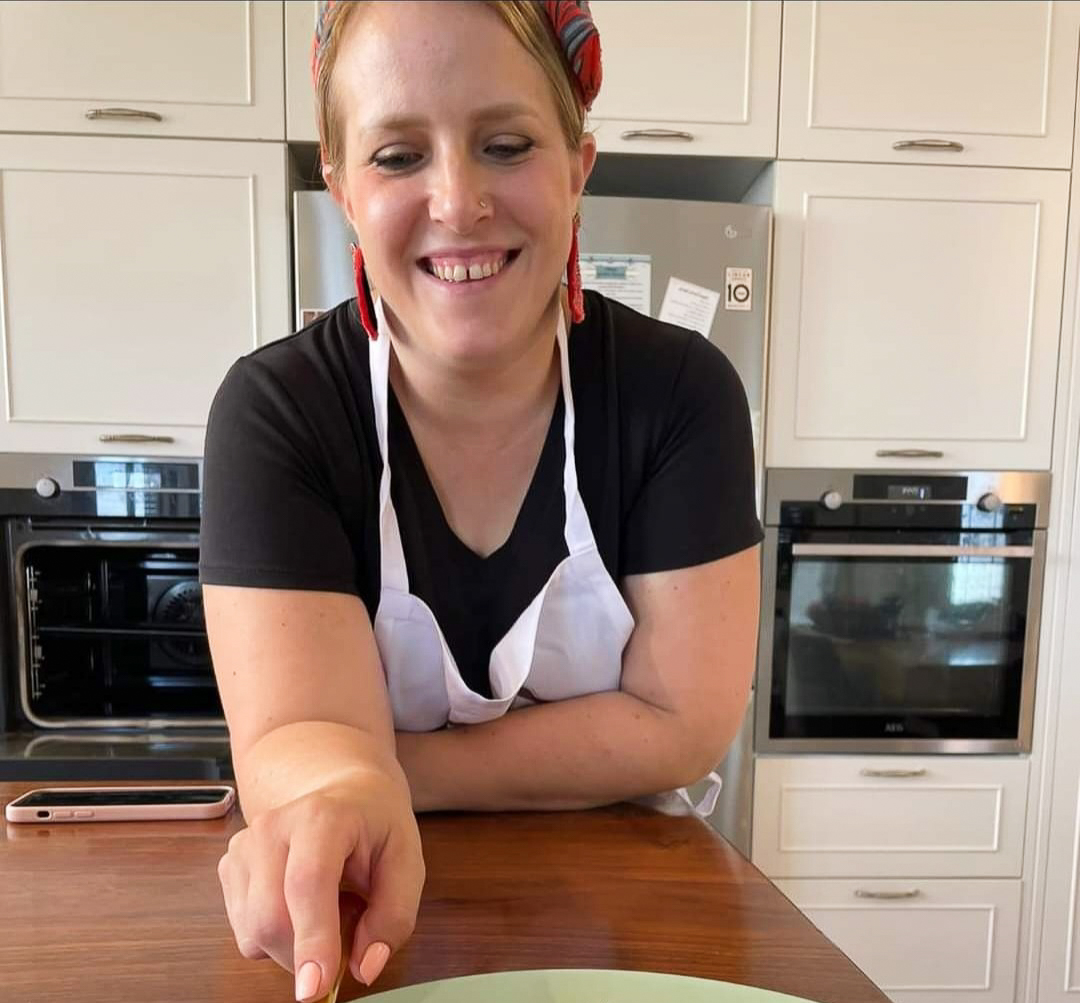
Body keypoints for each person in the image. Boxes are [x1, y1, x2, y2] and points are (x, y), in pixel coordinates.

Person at [199, 1, 763, 1000]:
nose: (457, 202)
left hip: (638, 933)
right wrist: (339, 793)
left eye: (505, 144)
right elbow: (294, 735)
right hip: (373, 921)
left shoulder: (680, 395)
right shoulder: (278, 412)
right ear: (339, 188)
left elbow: (682, 721)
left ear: (578, 167)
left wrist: (387, 772)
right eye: (397, 156)